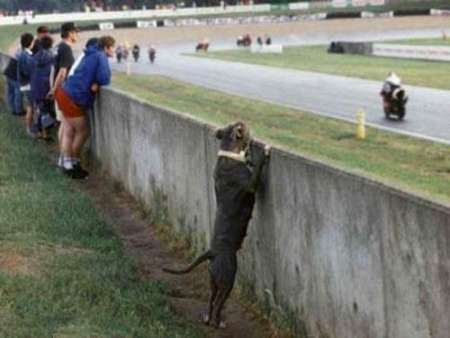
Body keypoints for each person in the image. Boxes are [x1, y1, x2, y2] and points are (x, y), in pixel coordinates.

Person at [55, 35, 115, 179]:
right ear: (106, 47)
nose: (113, 51)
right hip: (73, 98)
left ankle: (66, 163)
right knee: (83, 131)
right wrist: (97, 82)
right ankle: (74, 164)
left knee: (69, 131)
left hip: (64, 92)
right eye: (112, 48)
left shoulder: (90, 53)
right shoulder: (101, 56)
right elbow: (105, 78)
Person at [48, 22, 79, 167]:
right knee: (66, 127)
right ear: (69, 33)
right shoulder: (66, 48)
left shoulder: (58, 47)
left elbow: (53, 70)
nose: (77, 35)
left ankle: (62, 157)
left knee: (63, 124)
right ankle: (64, 159)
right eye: (75, 32)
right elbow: (62, 72)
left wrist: (52, 87)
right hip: (63, 90)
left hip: (58, 90)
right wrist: (54, 89)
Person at [30, 35, 55, 141]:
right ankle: (45, 133)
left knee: (41, 109)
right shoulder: (51, 56)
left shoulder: (35, 56)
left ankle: (40, 132)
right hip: (46, 86)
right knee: (47, 110)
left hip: (35, 85)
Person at [16, 32, 35, 136]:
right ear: (30, 42)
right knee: (30, 108)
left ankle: (30, 128)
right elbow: (28, 72)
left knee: (30, 107)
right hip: (28, 84)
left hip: (23, 84)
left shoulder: (22, 53)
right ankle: (29, 130)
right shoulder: (27, 56)